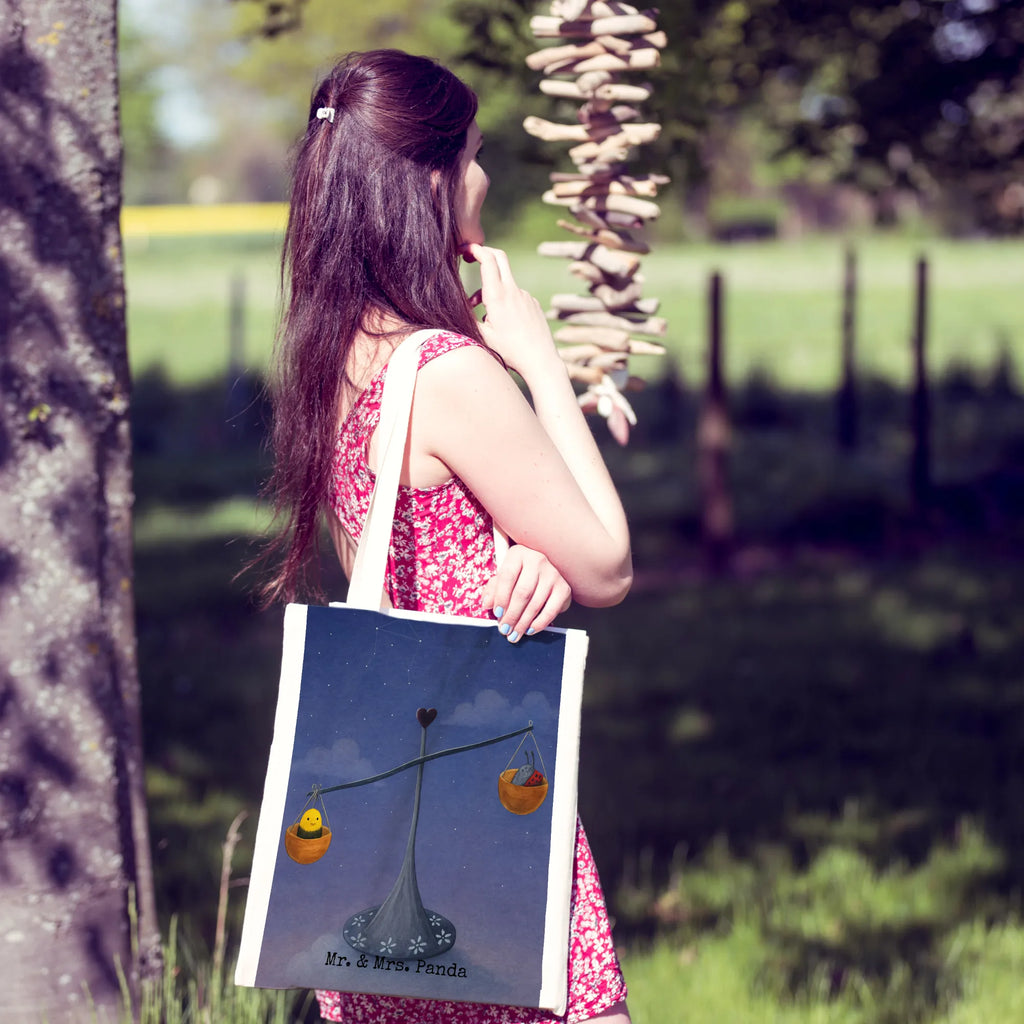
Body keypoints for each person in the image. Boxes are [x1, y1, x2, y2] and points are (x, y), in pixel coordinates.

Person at [259, 48, 633, 1024]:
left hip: (380, 823)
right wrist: (540, 364)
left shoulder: (333, 355)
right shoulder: (450, 373)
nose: (483, 176)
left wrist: (514, 552)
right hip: (481, 812)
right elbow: (607, 562)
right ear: (427, 179)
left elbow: (397, 554)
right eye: (469, 154)